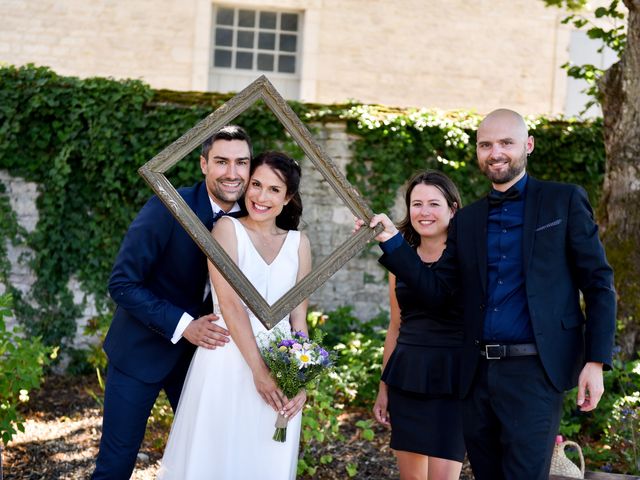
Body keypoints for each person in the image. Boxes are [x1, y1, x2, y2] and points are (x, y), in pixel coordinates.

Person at [367, 109, 616, 480]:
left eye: (506, 143)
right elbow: (436, 292)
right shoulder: (467, 221)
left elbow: (598, 283)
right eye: (486, 145)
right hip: (476, 373)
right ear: (478, 152)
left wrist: (595, 361)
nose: (495, 152)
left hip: (535, 371)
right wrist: (393, 243)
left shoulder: (562, 201)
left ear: (528, 145)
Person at [92, 125, 253, 479]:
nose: (232, 172)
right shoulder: (169, 206)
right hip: (142, 351)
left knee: (206, 461)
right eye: (221, 161)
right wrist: (184, 326)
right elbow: (122, 283)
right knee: (116, 464)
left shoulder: (253, 218)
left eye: (241, 162)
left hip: (208, 361)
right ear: (203, 164)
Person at [158, 151, 312, 479]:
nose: (260, 196)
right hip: (227, 361)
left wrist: (300, 380)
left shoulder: (299, 244)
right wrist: (258, 372)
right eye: (255, 184)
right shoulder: (226, 230)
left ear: (288, 198)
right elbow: (229, 306)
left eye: (274, 189)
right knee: (215, 459)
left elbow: (299, 319)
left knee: (265, 460)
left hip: (280, 365)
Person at [372, 170, 465, 480]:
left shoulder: (468, 259)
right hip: (407, 376)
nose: (424, 212)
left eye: (434, 204)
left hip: (452, 379)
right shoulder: (400, 261)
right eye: (416, 204)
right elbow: (395, 326)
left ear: (452, 209)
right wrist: (383, 386)